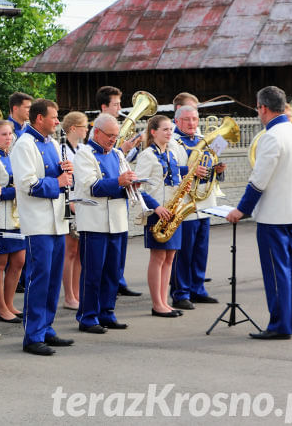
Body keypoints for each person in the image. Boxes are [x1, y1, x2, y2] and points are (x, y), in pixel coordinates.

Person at [227, 86, 292, 340]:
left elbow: (258, 181)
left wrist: (241, 210)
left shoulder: (271, 136)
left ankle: (279, 325)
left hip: (274, 215)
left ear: (262, 108)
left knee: (276, 272)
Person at [11, 99, 74, 355]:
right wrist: (58, 181)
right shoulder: (24, 144)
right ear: (39, 119)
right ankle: (33, 334)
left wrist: (67, 173)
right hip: (38, 222)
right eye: (54, 117)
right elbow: (27, 184)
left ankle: (46, 328)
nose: (58, 121)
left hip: (56, 220)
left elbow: (60, 179)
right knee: (39, 278)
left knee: (52, 279)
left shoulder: (53, 143)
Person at [73, 113, 133, 334]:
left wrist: (132, 183)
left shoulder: (117, 154)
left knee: (113, 272)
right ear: (96, 132)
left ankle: (107, 312)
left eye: (116, 136)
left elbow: (123, 181)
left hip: (117, 221)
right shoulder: (84, 154)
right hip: (94, 223)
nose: (113, 140)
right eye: (109, 135)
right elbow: (92, 186)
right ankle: (87, 317)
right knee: (93, 273)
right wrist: (119, 182)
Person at [135, 115, 190, 318]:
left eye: (170, 129)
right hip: (157, 212)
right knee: (158, 257)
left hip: (173, 211)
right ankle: (157, 303)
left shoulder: (171, 153)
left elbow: (174, 177)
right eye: (165, 130)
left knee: (170, 257)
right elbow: (138, 187)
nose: (169, 133)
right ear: (153, 132)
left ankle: (165, 301)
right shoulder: (147, 155)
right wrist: (157, 207)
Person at [170, 106, 222, 309]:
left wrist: (216, 170)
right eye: (187, 119)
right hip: (185, 203)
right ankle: (180, 292)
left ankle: (198, 289)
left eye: (194, 119)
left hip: (204, 202)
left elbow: (209, 169)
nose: (192, 123)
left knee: (201, 249)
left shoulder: (203, 139)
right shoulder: (173, 141)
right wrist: (190, 170)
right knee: (184, 251)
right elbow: (168, 166)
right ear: (177, 121)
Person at [95, 86, 141, 297]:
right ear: (104, 107)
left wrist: (128, 152)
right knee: (106, 254)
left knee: (119, 248)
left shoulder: (115, 130)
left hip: (119, 199)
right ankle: (112, 285)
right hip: (104, 204)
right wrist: (122, 149)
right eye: (116, 104)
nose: (120, 108)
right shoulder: (96, 133)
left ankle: (117, 280)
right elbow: (102, 168)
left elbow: (120, 162)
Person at [0, 119, 24, 323]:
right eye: (3, 135)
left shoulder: (14, 154)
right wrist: (17, 190)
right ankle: (1, 308)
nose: (8, 138)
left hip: (17, 216)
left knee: (19, 260)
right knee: (0, 263)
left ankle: (10, 304)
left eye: (10, 134)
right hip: (1, 216)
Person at [59, 111, 88, 311]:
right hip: (69, 202)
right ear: (73, 128)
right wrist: (70, 201)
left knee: (79, 252)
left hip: (82, 202)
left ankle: (77, 293)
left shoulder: (83, 149)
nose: (87, 130)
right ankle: (68, 295)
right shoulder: (62, 149)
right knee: (69, 251)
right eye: (84, 126)